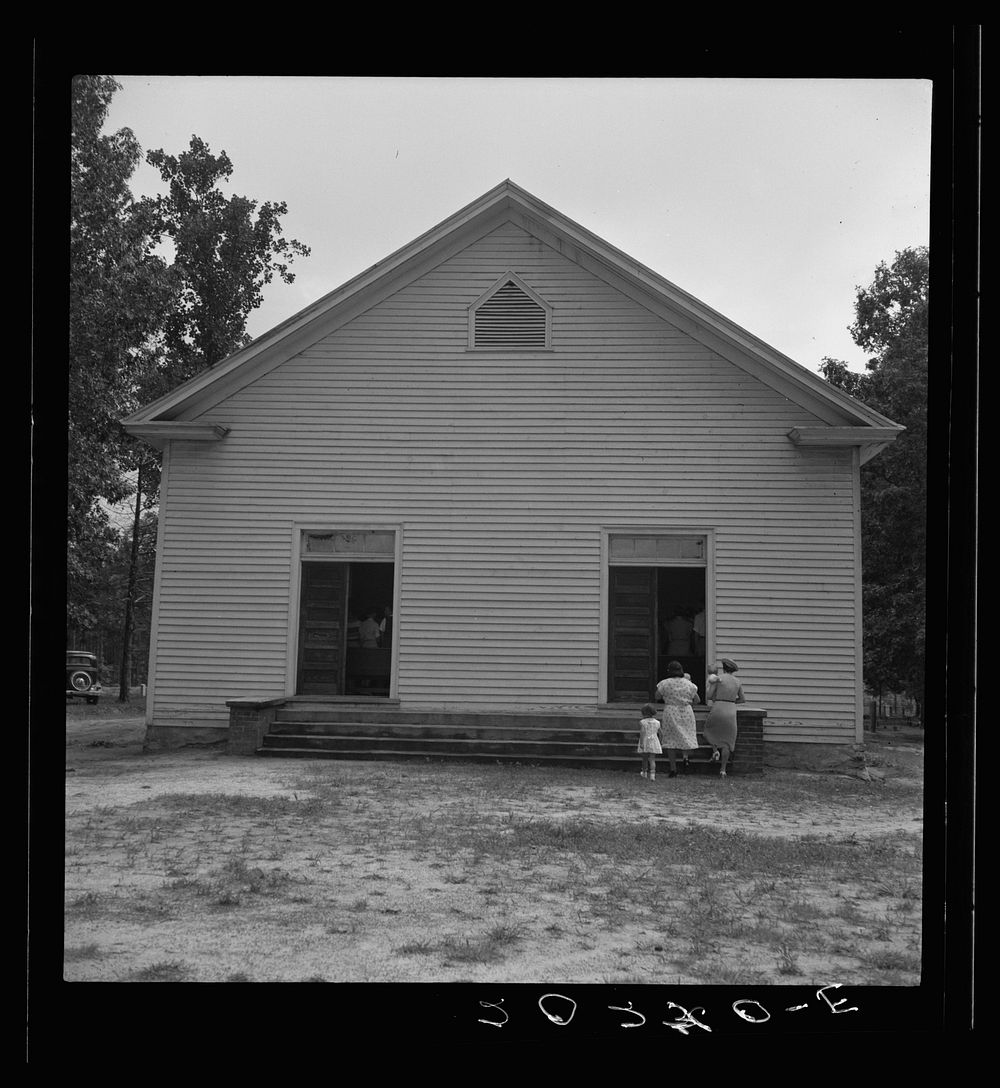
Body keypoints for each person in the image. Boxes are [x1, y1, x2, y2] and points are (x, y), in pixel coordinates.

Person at [655, 661, 700, 776]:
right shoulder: (689, 684)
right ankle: (685, 758)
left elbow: (657, 696)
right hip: (686, 711)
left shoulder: (665, 683)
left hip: (671, 711)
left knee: (671, 740)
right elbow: (697, 700)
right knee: (685, 736)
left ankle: (673, 769)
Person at [704, 657, 745, 778]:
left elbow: (709, 695)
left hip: (718, 707)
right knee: (727, 741)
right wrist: (731, 701)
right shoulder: (737, 682)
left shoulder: (718, 679)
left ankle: (715, 750)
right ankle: (723, 770)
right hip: (731, 709)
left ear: (724, 667)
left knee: (709, 731)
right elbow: (742, 699)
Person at [636, 702, 662, 781]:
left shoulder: (643, 722)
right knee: (652, 758)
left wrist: (641, 743)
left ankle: (644, 772)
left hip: (645, 741)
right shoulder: (657, 722)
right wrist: (660, 742)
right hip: (654, 741)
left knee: (644, 758)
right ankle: (652, 775)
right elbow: (661, 733)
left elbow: (642, 733)